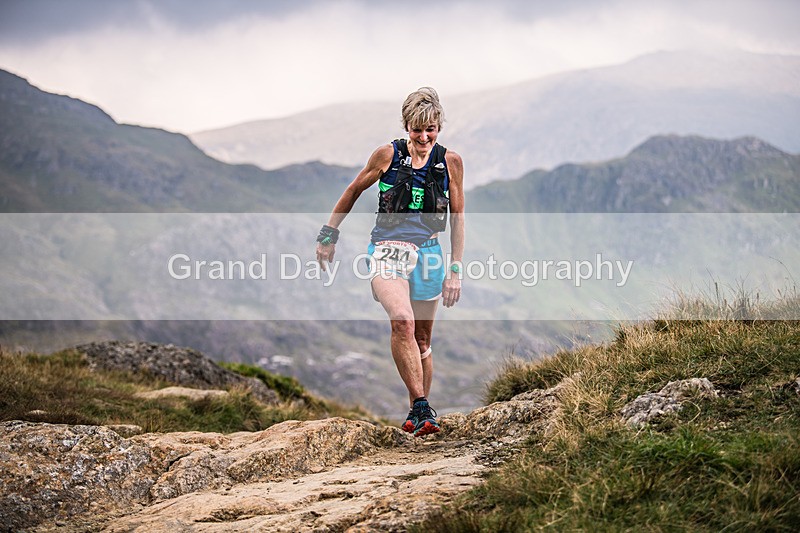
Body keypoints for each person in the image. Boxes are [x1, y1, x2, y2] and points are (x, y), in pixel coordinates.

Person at [315, 87, 464, 437]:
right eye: (417, 129)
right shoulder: (387, 155)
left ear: (439, 126)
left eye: (431, 129)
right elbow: (353, 190)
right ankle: (420, 406)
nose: (425, 136)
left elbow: (458, 217)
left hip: (429, 252)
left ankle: (423, 414)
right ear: (406, 126)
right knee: (402, 322)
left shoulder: (450, 162)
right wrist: (328, 234)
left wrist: (455, 270)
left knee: (423, 341)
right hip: (387, 250)